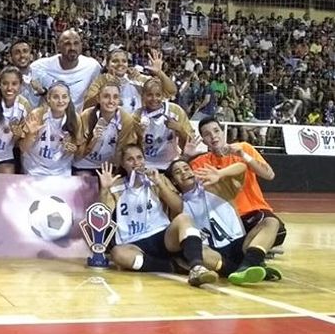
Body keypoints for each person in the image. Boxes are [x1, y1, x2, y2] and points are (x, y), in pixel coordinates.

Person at [97, 145, 217, 287]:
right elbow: (101, 215)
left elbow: (178, 207)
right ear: (123, 164)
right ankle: (172, 266)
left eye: (139, 158)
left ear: (145, 159)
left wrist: (159, 183)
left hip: (163, 236)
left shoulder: (157, 178)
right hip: (133, 243)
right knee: (118, 254)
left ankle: (197, 267)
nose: (136, 163)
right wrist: (104, 189)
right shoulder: (115, 185)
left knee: (184, 219)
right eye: (130, 159)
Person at [166, 160, 282, 285]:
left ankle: (247, 264)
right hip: (214, 253)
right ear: (173, 181)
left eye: (186, 168)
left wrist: (220, 173)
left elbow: (242, 167)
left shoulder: (217, 186)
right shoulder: (177, 204)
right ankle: (243, 269)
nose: (184, 173)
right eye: (178, 172)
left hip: (240, 244)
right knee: (197, 252)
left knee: (271, 222)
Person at [189, 117, 287, 260]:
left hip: (253, 211)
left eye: (216, 131)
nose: (213, 136)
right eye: (207, 134)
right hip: (226, 219)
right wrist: (185, 156)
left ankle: (252, 247)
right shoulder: (200, 162)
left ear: (223, 132)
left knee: (278, 230)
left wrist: (243, 155)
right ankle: (256, 249)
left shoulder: (244, 148)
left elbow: (269, 175)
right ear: (204, 140)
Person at [83, 49, 176, 114]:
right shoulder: (100, 81)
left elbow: (171, 91)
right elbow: (87, 106)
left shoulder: (137, 78)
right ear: (107, 65)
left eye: (124, 61)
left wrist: (159, 73)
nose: (120, 64)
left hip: (136, 131)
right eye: (115, 61)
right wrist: (107, 87)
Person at [74, 81, 137, 176]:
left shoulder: (126, 119)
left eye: (115, 97)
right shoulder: (86, 115)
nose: (111, 101)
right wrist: (93, 139)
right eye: (106, 96)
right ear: (98, 98)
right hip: (85, 164)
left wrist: (117, 171)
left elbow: (123, 148)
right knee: (87, 185)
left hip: (110, 166)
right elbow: (79, 152)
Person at [29, 29, 101, 112]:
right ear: (59, 46)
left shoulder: (93, 66)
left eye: (76, 43)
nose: (72, 48)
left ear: (81, 45)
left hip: (77, 121)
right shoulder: (39, 67)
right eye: (67, 44)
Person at [19, 82, 82, 176]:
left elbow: (79, 151)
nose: (61, 101)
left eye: (64, 97)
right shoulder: (37, 114)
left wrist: (73, 149)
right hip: (35, 166)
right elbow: (22, 148)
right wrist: (30, 135)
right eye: (56, 97)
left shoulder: (74, 118)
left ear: (69, 99)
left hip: (62, 168)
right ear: (48, 98)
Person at [133, 78, 193, 170]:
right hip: (145, 164)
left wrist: (180, 129)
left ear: (163, 96)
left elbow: (189, 143)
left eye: (158, 95)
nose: (154, 99)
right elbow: (131, 148)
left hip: (170, 164)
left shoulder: (175, 111)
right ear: (143, 96)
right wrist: (139, 135)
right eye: (149, 95)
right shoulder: (136, 116)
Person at [8, 38, 45, 107]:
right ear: (11, 58)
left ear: (31, 56)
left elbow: (53, 101)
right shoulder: (5, 81)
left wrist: (42, 91)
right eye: (17, 53)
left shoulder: (42, 76)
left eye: (25, 51)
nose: (22, 55)